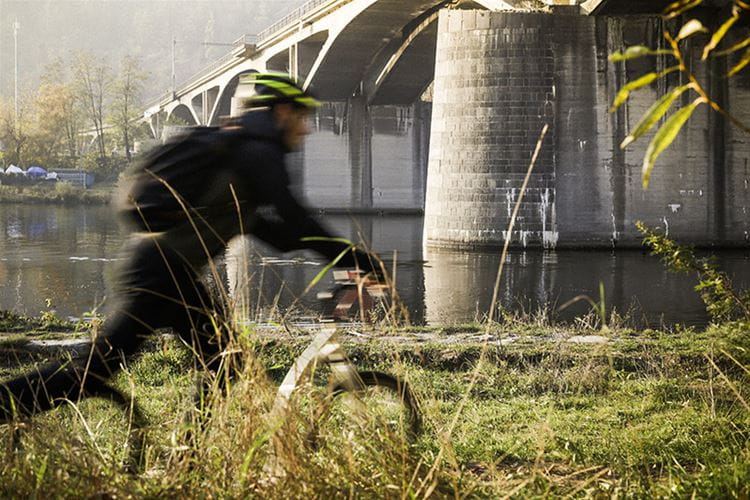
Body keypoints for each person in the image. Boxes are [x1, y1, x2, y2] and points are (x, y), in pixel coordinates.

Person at [0, 72, 376, 422]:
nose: (306, 129)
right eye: (303, 117)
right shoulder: (258, 153)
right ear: (282, 111)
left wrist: (341, 257)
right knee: (93, 372)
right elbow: (296, 219)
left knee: (224, 361)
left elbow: (281, 235)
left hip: (167, 273)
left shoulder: (236, 152)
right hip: (161, 274)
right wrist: (358, 258)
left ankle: (187, 454)